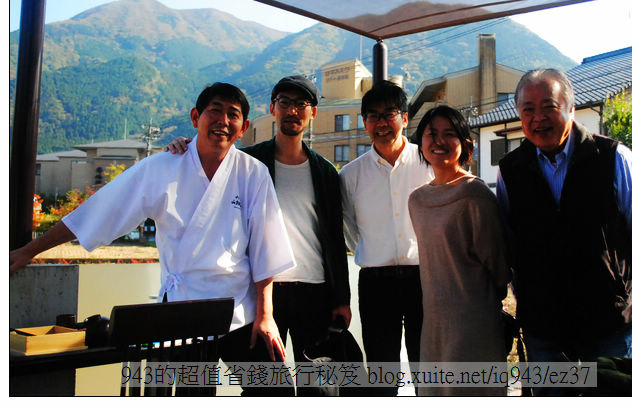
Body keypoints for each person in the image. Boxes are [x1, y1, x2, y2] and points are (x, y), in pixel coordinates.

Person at [10, 82, 296, 374]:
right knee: (189, 394)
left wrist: (265, 314)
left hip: (239, 309)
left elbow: (266, 246)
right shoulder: (162, 166)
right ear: (196, 117)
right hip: (183, 310)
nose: (223, 121)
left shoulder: (251, 172)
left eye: (232, 115)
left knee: (276, 388)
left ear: (244, 126)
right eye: (215, 111)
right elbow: (99, 211)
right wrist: (29, 251)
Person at [166, 76, 351, 396]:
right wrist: (181, 147)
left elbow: (333, 238)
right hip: (263, 293)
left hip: (314, 293)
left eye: (301, 104)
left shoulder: (325, 171)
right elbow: (205, 159)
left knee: (316, 387)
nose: (292, 110)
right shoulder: (247, 161)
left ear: (313, 113)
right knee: (266, 385)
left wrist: (342, 298)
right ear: (272, 109)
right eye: (284, 103)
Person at [496, 68, 632, 369]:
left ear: (571, 108)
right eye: (527, 110)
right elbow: (509, 239)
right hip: (544, 324)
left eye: (549, 107)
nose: (538, 118)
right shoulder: (510, 170)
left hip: (606, 319)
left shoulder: (612, 157)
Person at [339, 82, 433, 396]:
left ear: (405, 118)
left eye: (388, 114)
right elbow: (351, 229)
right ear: (364, 122)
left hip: (424, 279)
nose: (381, 123)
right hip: (376, 284)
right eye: (372, 116)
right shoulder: (350, 176)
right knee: (382, 371)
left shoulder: (427, 163)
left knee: (427, 366)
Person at [408, 106, 510, 396]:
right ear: (421, 143)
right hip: (433, 324)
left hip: (474, 320)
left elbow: (499, 267)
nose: (438, 141)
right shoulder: (417, 200)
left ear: (466, 144)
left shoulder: (475, 195)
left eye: (449, 134)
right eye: (431, 134)